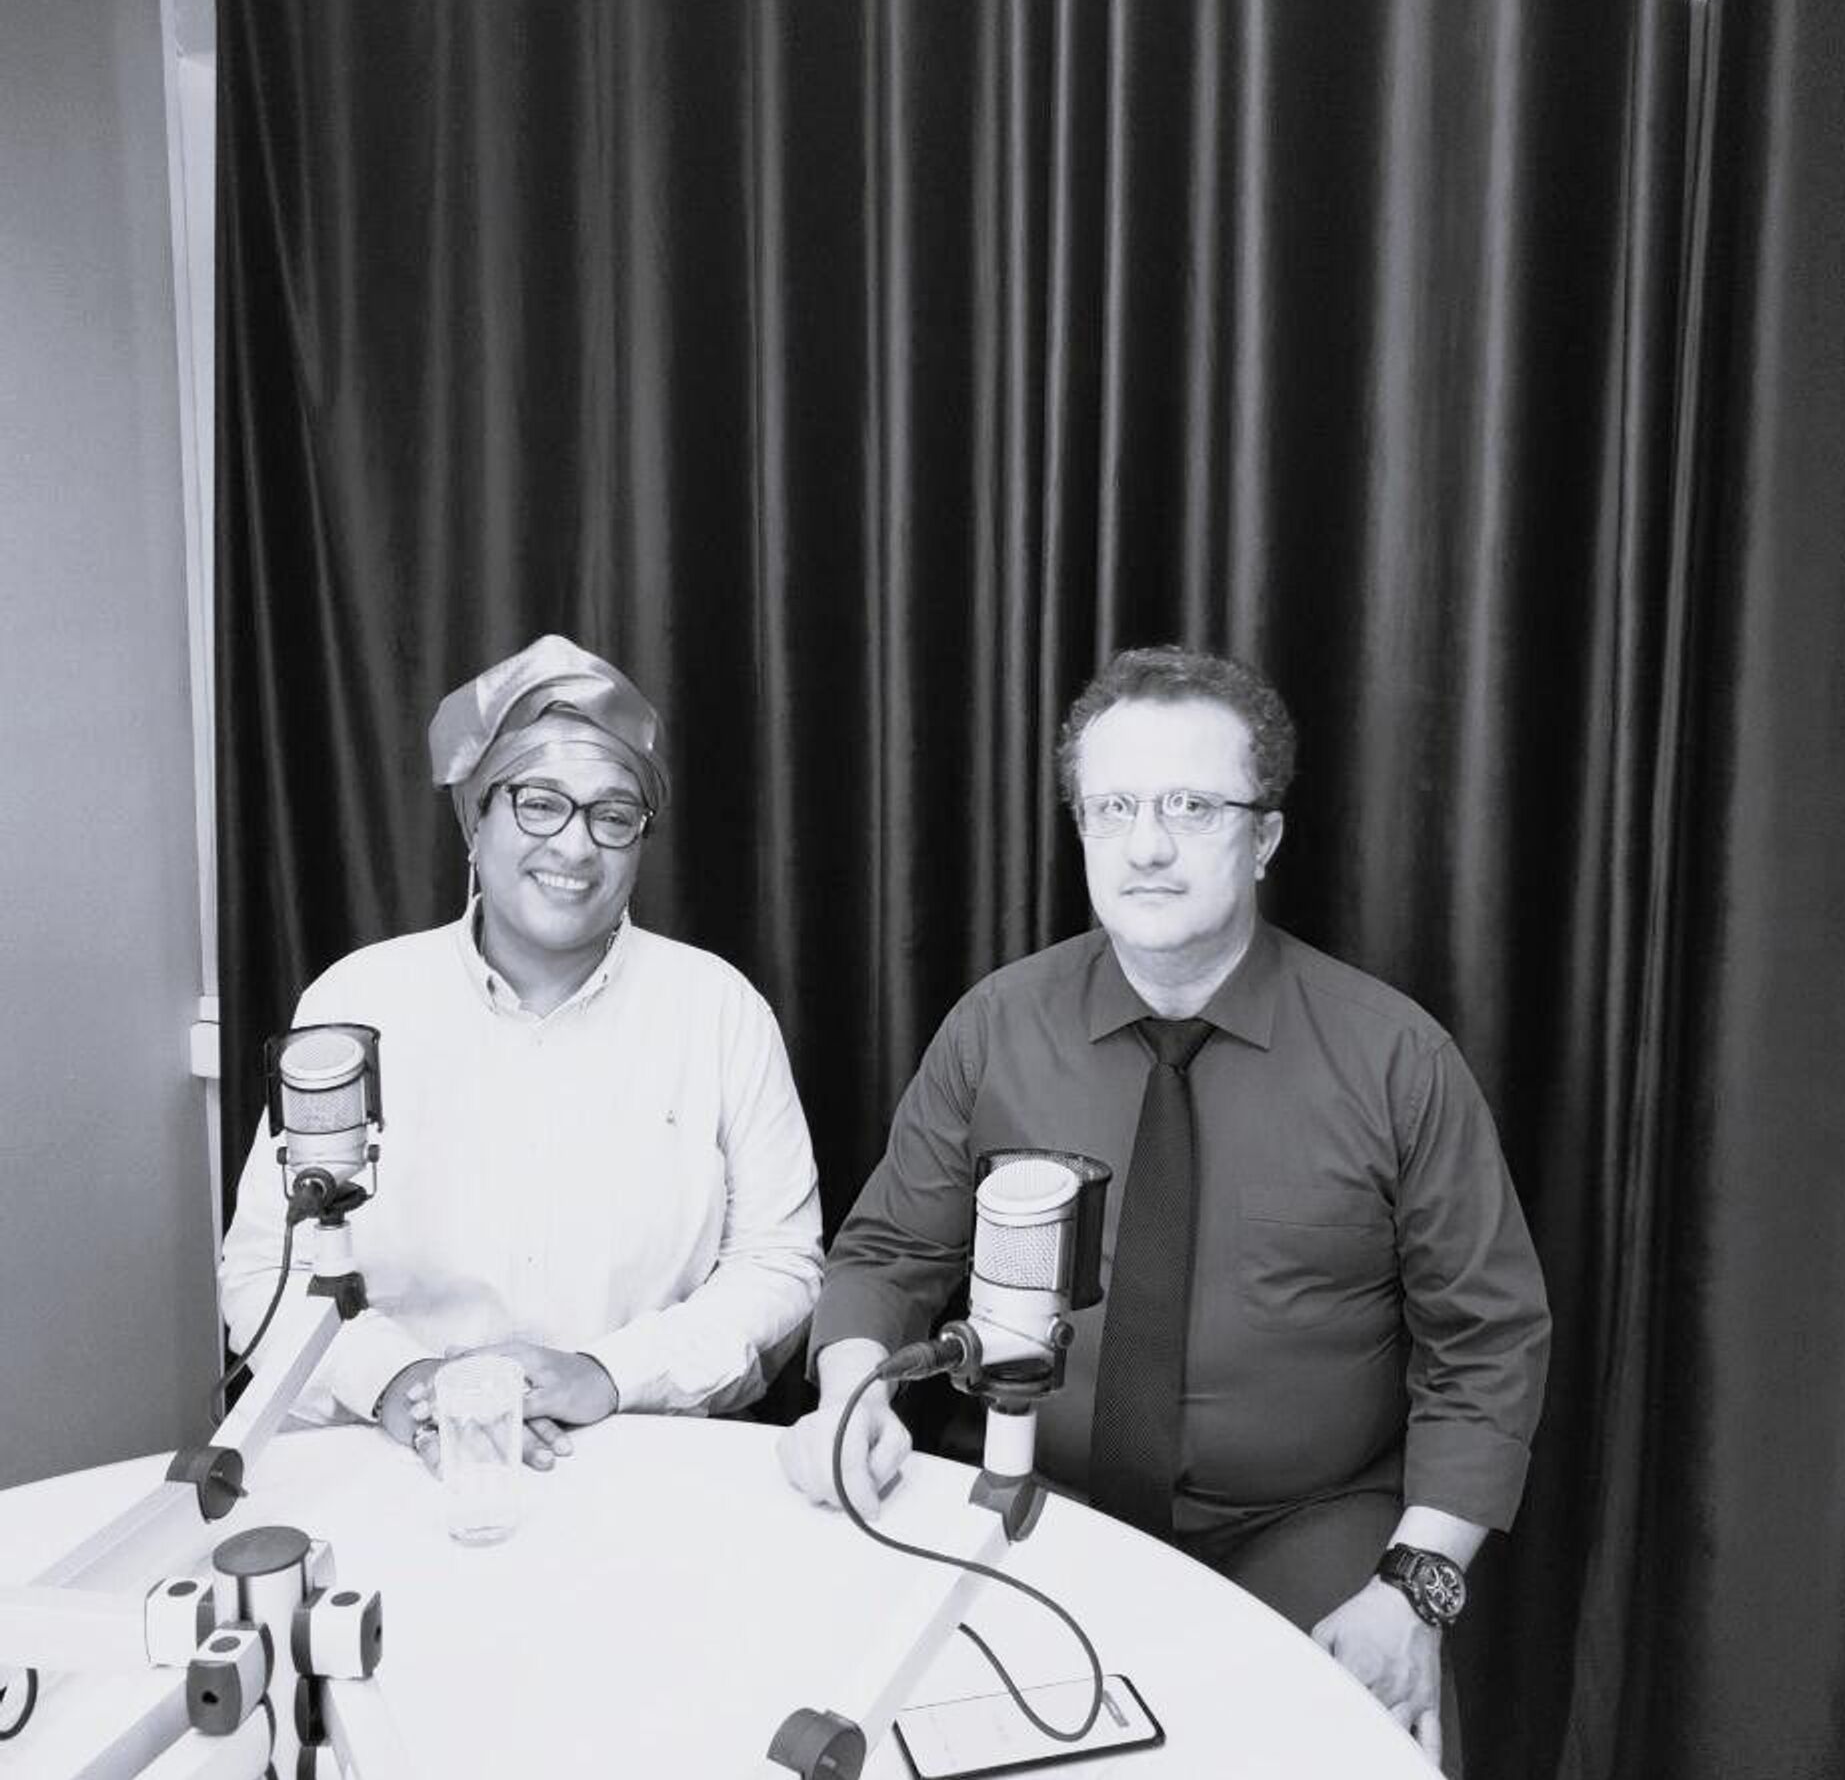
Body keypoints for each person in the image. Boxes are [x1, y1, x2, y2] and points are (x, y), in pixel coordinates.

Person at [778, 646, 1548, 1774]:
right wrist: (854, 1394)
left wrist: (1414, 1590)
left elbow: (1487, 1341)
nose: (1147, 844)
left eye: (1191, 806)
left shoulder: (1396, 1062)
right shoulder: (997, 1028)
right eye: (1115, 807)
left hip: (1304, 1529)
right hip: (1031, 1501)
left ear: (1265, 837)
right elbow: (888, 1254)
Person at [222, 634, 824, 1471]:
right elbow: (264, 1268)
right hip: (393, 1461)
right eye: (539, 803)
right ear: (475, 818)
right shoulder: (358, 1003)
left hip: (645, 1459)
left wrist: (607, 1375)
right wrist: (400, 1383)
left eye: (614, 816)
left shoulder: (718, 1011)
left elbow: (780, 1263)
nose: (575, 847)